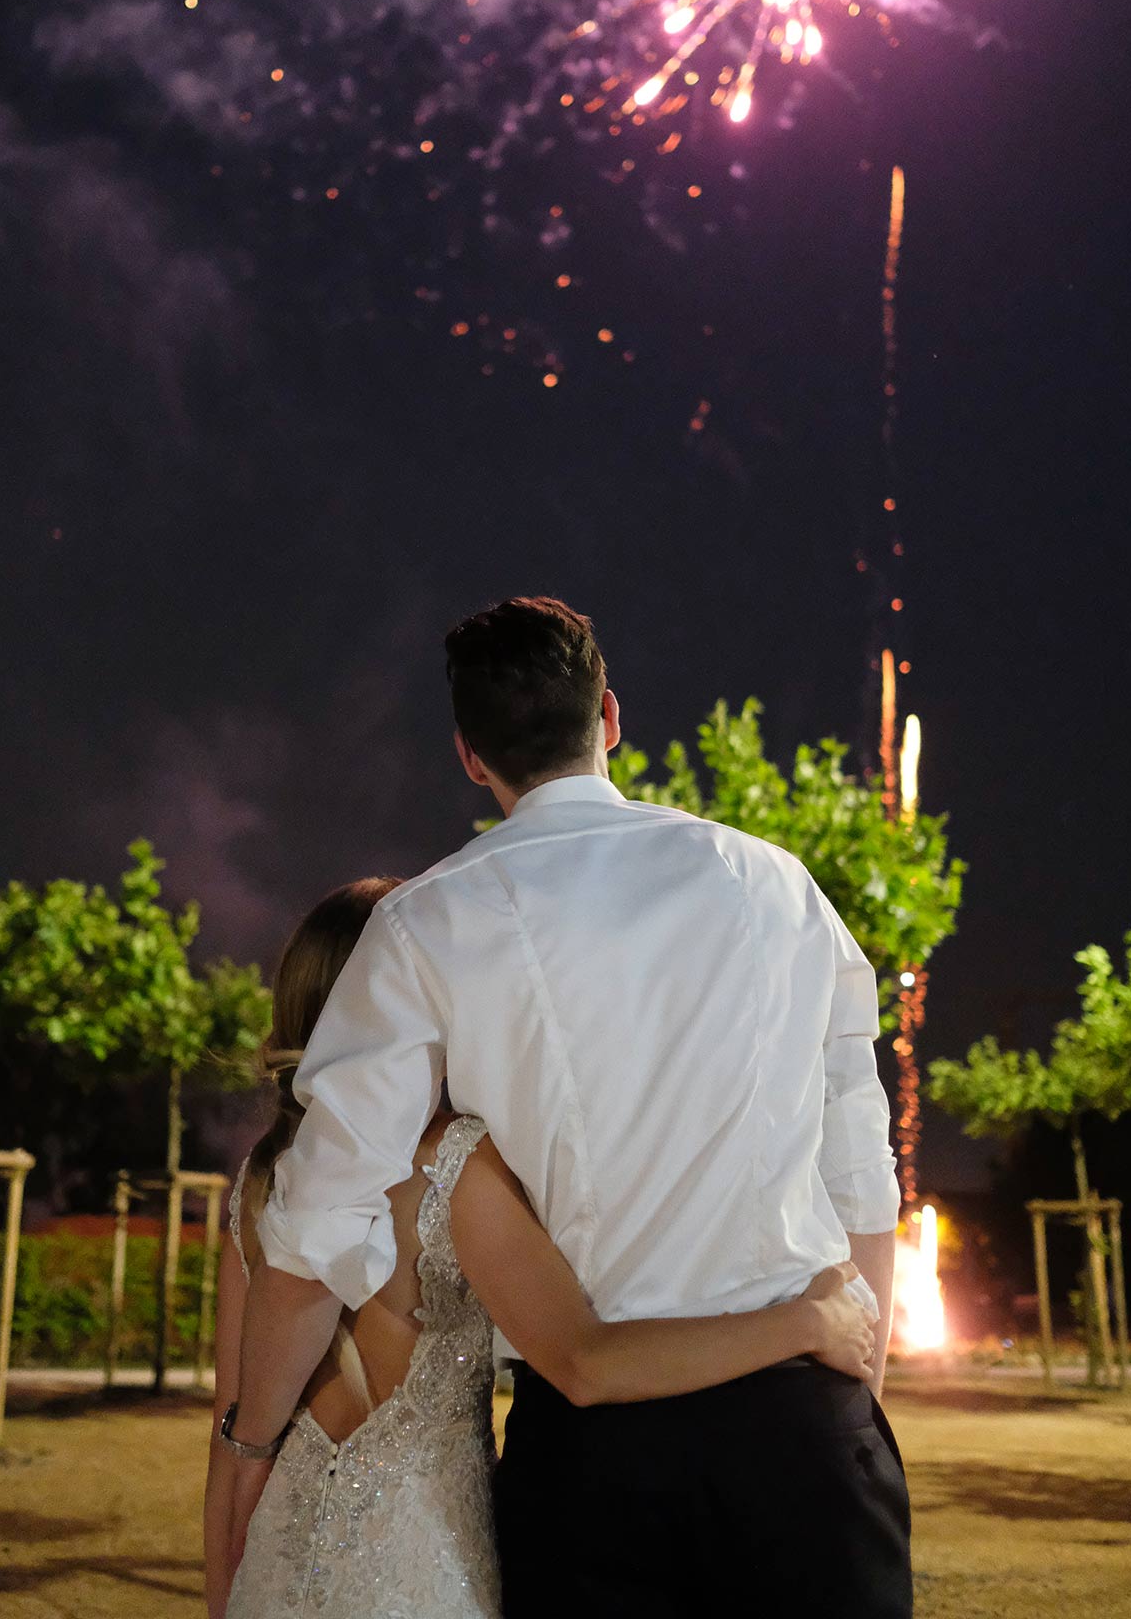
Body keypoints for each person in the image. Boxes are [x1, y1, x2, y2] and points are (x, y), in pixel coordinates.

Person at [221, 597, 912, 1617]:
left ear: (468, 754)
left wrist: (245, 1440)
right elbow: (859, 1168)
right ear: (611, 718)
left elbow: (322, 1221)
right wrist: (854, 1379)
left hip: (596, 1460)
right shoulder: (772, 882)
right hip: (802, 1422)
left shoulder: (423, 926)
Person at [206, 877, 878, 1619]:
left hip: (276, 1573)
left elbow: (230, 1435)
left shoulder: (260, 1189)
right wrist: (809, 1324)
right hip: (429, 1577)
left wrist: (226, 1592)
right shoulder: (456, 1167)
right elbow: (586, 1361)